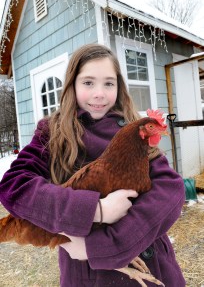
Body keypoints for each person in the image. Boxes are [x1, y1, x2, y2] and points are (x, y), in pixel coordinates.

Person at [0, 44, 185, 287]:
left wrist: (99, 247)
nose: (99, 93)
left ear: (118, 87)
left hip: (151, 264)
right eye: (88, 83)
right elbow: (14, 185)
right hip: (88, 275)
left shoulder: (133, 131)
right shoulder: (53, 133)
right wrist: (95, 210)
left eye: (108, 83)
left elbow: (171, 191)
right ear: (72, 85)